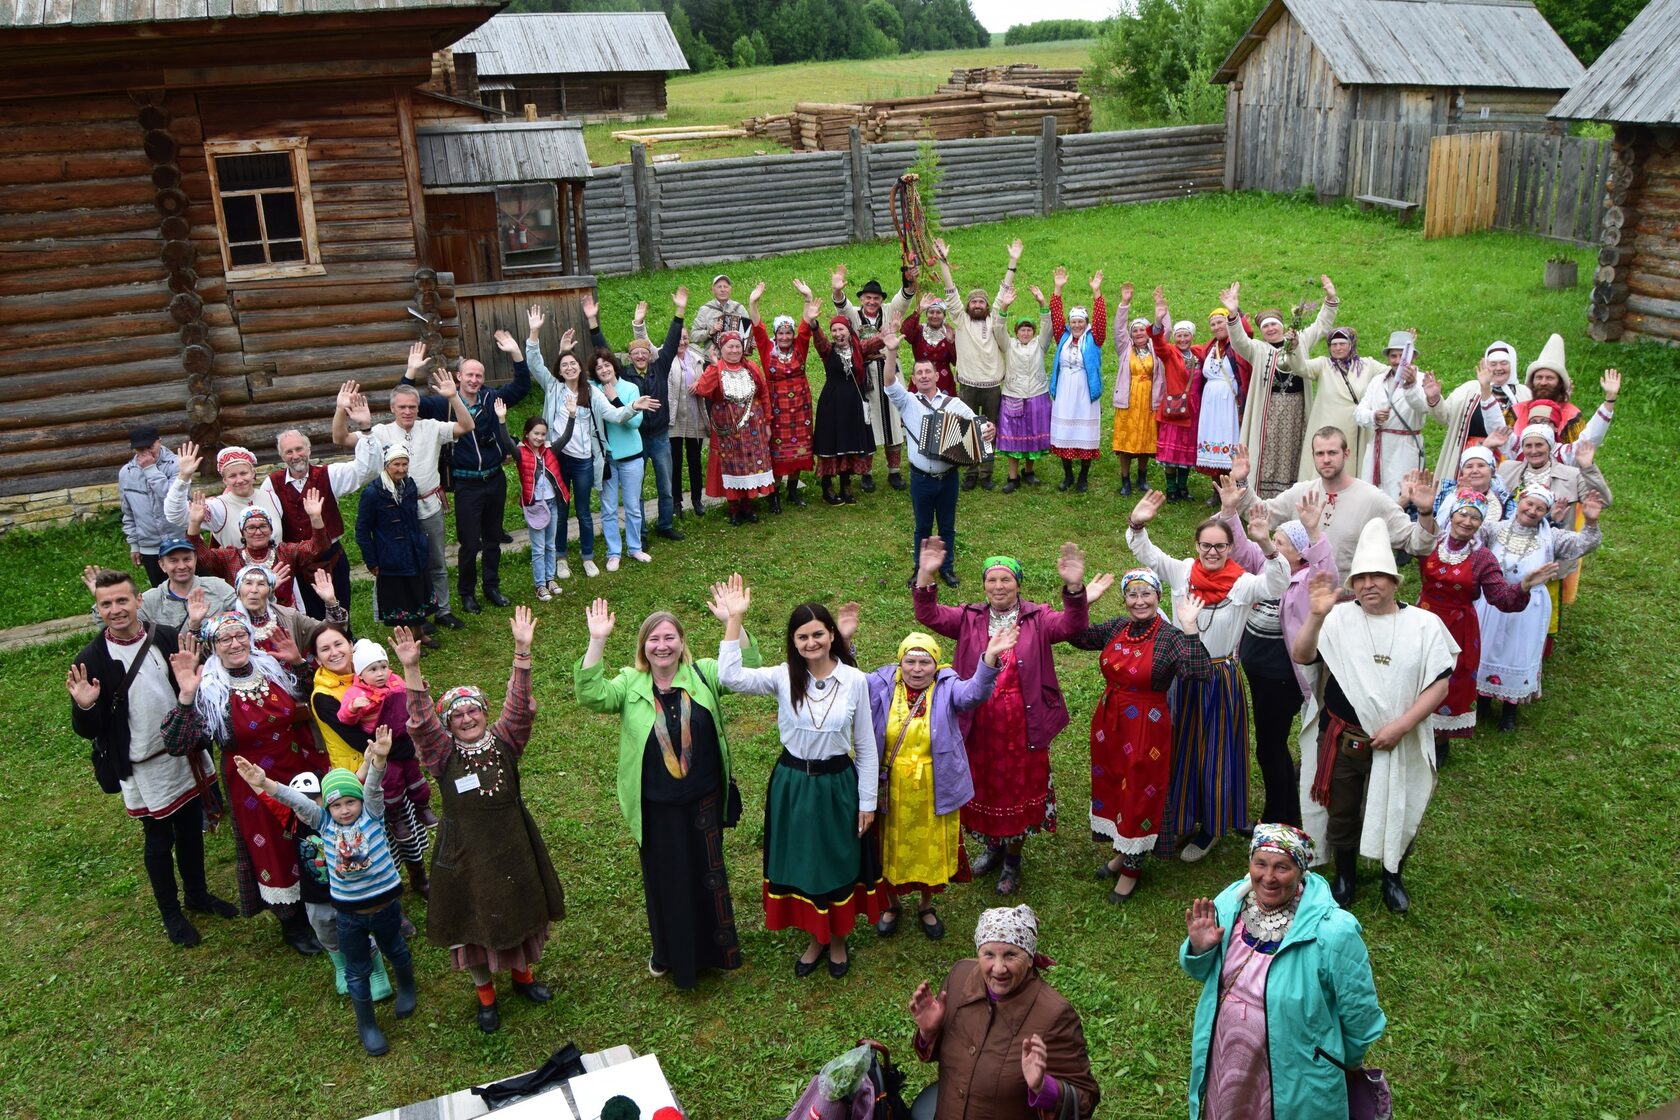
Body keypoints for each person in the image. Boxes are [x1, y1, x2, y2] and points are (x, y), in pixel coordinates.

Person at [574, 585, 760, 989]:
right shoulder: (629, 684)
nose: (662, 646)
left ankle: (716, 953)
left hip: (704, 801)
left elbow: (748, 667)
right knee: (666, 881)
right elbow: (590, 695)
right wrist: (597, 641)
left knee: (709, 876)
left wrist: (735, 621)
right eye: (654, 639)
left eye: (669, 637)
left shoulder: (704, 674)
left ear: (681, 643)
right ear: (644, 647)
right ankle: (668, 954)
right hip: (656, 807)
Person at [395, 607, 566, 1033]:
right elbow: (419, 723)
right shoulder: (441, 753)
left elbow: (521, 707)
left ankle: (523, 977)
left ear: (484, 713)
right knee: (475, 921)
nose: (467, 719)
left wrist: (522, 653)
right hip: (466, 853)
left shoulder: (506, 739)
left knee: (519, 907)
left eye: (473, 711)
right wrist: (411, 670)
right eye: (458, 715)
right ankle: (486, 996)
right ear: (449, 723)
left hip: (512, 843)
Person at [716, 578, 885, 979]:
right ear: (793, 642)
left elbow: (865, 744)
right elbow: (730, 678)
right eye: (802, 636)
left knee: (838, 859)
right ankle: (816, 937)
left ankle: (839, 938)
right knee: (805, 862)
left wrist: (867, 801)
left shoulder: (855, 681)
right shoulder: (781, 677)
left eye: (818, 634)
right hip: (793, 784)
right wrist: (734, 620)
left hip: (837, 784)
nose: (811, 643)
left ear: (832, 636)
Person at [1290, 519, 1458, 912]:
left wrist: (1400, 727)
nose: (1369, 585)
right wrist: (1315, 615)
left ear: (1396, 583)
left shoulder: (1424, 625)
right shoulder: (1338, 617)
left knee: (1396, 804)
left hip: (1400, 737)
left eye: (1378, 578)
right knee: (1342, 809)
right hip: (1343, 736)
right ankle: (1345, 874)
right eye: (1361, 578)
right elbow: (1302, 656)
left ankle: (1391, 875)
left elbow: (1440, 685)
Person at [913, 539, 1092, 895]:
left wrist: (1074, 588)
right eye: (992, 580)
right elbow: (928, 615)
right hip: (979, 727)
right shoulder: (969, 619)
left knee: (1018, 791)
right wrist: (926, 574)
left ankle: (1013, 858)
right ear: (983, 585)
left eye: (1006, 580)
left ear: (1018, 584)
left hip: (1024, 729)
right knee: (986, 788)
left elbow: (1072, 625)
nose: (998, 587)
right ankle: (992, 847)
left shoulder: (1038, 620)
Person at [67, 570, 231, 948]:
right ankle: (171, 914)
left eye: (122, 600)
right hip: (143, 764)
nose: (115, 610)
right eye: (106, 604)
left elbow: (190, 688)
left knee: (191, 828)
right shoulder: (91, 659)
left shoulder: (165, 637)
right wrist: (85, 707)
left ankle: (197, 894)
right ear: (98, 608)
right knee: (158, 839)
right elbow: (88, 730)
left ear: (138, 600)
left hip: (183, 754)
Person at [1181, 825, 1385, 1120]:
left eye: (1282, 867)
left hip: (1295, 1076)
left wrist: (1339, 1062)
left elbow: (1361, 1016)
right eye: (1260, 863)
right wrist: (1201, 950)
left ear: (1301, 870)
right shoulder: (1232, 902)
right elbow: (1207, 976)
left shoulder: (1334, 931)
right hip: (1227, 1059)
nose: (1268, 877)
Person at [1126, 491, 1289, 862]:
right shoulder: (1183, 570)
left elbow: (1277, 583)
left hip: (1219, 677)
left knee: (1216, 752)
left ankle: (1213, 826)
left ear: (1230, 547)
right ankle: (1183, 814)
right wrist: (1138, 523)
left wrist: (1265, 543)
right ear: (1197, 546)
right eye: (1206, 545)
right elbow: (1146, 552)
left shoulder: (1244, 583)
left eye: (1220, 546)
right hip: (1181, 673)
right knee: (1180, 745)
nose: (1212, 552)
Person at [836, 608, 1014, 938]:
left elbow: (974, 693)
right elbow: (848, 682)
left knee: (929, 850)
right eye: (910, 662)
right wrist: (844, 642)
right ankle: (891, 904)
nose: (917, 669)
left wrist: (988, 658)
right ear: (900, 663)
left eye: (925, 662)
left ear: (936, 665)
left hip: (935, 786)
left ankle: (926, 906)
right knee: (888, 848)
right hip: (889, 789)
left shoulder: (947, 686)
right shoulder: (880, 684)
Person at [238, 734, 418, 1056]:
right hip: (349, 915)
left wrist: (377, 760)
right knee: (356, 969)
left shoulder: (372, 815)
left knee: (396, 949)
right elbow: (297, 802)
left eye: (350, 802)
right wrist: (266, 783)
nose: (345, 810)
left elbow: (373, 787)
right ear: (327, 807)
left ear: (360, 801)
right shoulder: (322, 823)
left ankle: (406, 988)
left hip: (386, 905)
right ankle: (367, 1024)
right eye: (336, 804)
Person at [163, 613, 331, 951]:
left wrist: (299, 664)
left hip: (299, 764)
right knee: (274, 843)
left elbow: (313, 692)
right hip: (252, 782)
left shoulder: (271, 667)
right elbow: (176, 744)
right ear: (213, 646)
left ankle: (327, 900)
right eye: (226, 639)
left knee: (315, 833)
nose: (236, 643)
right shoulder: (208, 688)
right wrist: (185, 696)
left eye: (241, 635)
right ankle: (294, 922)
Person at [1071, 568, 1213, 901]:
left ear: (1158, 597)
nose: (1139, 601)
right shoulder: (1117, 628)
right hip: (1110, 721)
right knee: (1114, 784)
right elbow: (1076, 637)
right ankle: (1122, 850)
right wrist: (1081, 603)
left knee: (1138, 790)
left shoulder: (1170, 636)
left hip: (1146, 725)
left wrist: (1190, 628)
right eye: (1132, 595)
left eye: (1146, 594)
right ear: (1124, 599)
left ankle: (1133, 867)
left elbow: (1200, 672)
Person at [1211, 479, 1336, 837]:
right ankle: (1281, 811)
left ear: (1298, 552)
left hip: (1281, 677)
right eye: (1274, 542)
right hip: (1257, 671)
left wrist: (1314, 531)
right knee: (1268, 744)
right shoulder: (1268, 567)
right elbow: (1242, 550)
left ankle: (1280, 818)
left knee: (1270, 746)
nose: (1274, 546)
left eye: (1281, 543)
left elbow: (1327, 571)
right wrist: (1231, 511)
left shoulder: (1308, 580)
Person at [908, 905, 1100, 1120]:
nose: (998, 968)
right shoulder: (959, 976)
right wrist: (929, 1033)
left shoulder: (1055, 1015)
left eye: (1010, 955)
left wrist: (1043, 1087)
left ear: (1029, 958)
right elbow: (948, 1060)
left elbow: (1085, 1099)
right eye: (988, 954)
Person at [1406, 479, 1547, 760]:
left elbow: (1502, 599)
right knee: (1414, 673)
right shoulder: (1430, 542)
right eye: (1464, 514)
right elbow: (1401, 544)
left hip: (1459, 627)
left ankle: (1440, 740)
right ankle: (1410, 729)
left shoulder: (1483, 557)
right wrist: (1422, 511)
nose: (1468, 522)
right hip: (1423, 618)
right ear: (1453, 514)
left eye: (1475, 517)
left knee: (1450, 680)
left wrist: (1523, 586)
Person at [333, 359, 475, 630]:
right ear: (392, 409)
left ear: (418, 408)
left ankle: (442, 610)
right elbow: (340, 438)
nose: (408, 411)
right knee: (410, 566)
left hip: (430, 505)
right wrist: (341, 409)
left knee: (436, 562)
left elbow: (466, 426)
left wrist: (454, 397)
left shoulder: (431, 427)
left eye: (412, 407)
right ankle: (418, 613)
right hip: (396, 512)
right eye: (402, 407)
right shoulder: (379, 432)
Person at [396, 330, 530, 615]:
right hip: (467, 485)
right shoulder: (442, 404)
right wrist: (410, 372)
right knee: (470, 544)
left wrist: (516, 354)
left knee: (493, 539)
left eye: (478, 376)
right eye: (469, 375)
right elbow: (406, 401)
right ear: (459, 377)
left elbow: (521, 386)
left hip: (494, 478)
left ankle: (492, 587)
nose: (474, 380)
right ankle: (467, 593)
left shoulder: (493, 399)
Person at [253, 770, 394, 1002]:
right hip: (314, 894)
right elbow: (272, 796)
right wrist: (254, 780)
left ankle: (377, 970)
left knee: (358, 930)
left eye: (314, 798)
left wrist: (370, 762)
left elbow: (356, 786)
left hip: (347, 892)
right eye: (300, 800)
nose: (306, 804)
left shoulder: (334, 819)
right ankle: (341, 966)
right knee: (324, 929)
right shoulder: (292, 820)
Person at [1476, 486, 1604, 731]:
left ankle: (1509, 711)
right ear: (1519, 501)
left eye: (1540, 508)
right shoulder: (1494, 529)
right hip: (1492, 598)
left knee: (1519, 651)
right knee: (1487, 645)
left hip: (1529, 605)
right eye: (1529, 504)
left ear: (1546, 512)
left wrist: (1590, 521)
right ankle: (1482, 702)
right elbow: (1463, 533)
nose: (1532, 511)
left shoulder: (1552, 537)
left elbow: (1585, 544)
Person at [880, 326, 997, 589]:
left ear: (936, 376)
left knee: (947, 525)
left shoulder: (954, 404)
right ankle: (919, 568)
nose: (923, 376)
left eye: (927, 372)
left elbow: (981, 427)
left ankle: (946, 567)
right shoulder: (908, 402)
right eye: (918, 373)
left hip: (948, 477)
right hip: (920, 478)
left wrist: (990, 430)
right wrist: (891, 351)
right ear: (913, 378)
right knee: (922, 527)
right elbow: (888, 382)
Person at [1232, 429, 1417, 577]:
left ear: (1346, 454)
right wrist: (1241, 482)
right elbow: (1258, 515)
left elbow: (1413, 540)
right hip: (1300, 600)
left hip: (1348, 601)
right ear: (1313, 456)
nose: (1326, 459)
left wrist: (1424, 512)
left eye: (1332, 452)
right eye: (1320, 453)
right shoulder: (1302, 492)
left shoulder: (1372, 499)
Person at [1226, 279, 1335, 497]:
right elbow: (1238, 341)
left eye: (1273, 324)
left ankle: (1293, 495)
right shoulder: (1257, 349)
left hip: (1297, 408)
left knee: (1296, 449)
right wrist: (1232, 314)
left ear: (1282, 325)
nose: (1270, 328)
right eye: (1265, 326)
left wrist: (1330, 299)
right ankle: (1264, 498)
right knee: (1267, 451)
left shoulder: (1299, 341)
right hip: (1269, 411)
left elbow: (1321, 326)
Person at [270, 418, 381, 618]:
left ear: (309, 450)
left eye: (299, 449)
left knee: (340, 607)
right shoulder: (272, 484)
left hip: (332, 557)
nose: (296, 456)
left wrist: (366, 430)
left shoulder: (330, 474)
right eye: (289, 452)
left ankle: (345, 641)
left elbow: (368, 470)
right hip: (298, 562)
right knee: (310, 615)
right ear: (281, 456)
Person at [593, 291, 681, 543]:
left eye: (644, 352)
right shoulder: (624, 375)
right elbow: (603, 351)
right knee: (637, 490)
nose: (641, 356)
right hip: (636, 438)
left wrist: (679, 313)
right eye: (636, 354)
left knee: (666, 487)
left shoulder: (660, 369)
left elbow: (673, 342)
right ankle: (640, 533)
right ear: (629, 358)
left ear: (650, 355)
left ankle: (665, 524)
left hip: (660, 437)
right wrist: (593, 324)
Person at [929, 237, 1015, 491]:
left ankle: (987, 472)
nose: (977, 305)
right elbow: (950, 291)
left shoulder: (995, 320)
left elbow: (1002, 293)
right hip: (967, 385)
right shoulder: (961, 320)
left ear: (987, 306)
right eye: (974, 302)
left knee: (989, 429)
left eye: (981, 302)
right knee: (966, 428)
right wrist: (943, 260)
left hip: (992, 386)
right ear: (968, 306)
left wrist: (1013, 262)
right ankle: (970, 472)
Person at [525, 310, 603, 577]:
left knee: (583, 510)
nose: (569, 368)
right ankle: (560, 558)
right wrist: (534, 331)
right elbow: (535, 363)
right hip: (555, 459)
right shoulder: (553, 387)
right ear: (559, 371)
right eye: (564, 365)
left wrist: (631, 407)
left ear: (580, 368)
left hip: (583, 460)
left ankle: (588, 556)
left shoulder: (591, 391)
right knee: (559, 509)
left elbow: (609, 413)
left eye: (573, 364)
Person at [831, 265, 912, 491]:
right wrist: (837, 290)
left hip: (890, 373)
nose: (872, 302)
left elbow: (904, 297)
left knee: (893, 422)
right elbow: (841, 305)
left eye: (876, 298)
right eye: (868, 297)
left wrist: (908, 279)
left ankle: (894, 471)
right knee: (868, 422)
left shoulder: (889, 311)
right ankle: (866, 472)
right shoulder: (854, 315)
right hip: (864, 376)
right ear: (862, 299)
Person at [186, 491, 329, 611]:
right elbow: (203, 557)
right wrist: (194, 523)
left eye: (263, 526)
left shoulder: (285, 552)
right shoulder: (230, 556)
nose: (258, 532)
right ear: (243, 532)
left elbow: (317, 548)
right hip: (244, 622)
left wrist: (315, 517)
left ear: (271, 530)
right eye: (251, 527)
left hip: (284, 617)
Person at [694, 324, 777, 526]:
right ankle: (733, 508)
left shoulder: (751, 368)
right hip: (727, 430)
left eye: (737, 346)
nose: (734, 350)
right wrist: (714, 366)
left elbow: (764, 393)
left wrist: (767, 421)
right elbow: (703, 390)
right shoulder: (716, 369)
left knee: (750, 464)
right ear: (721, 349)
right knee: (730, 466)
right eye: (730, 347)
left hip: (753, 427)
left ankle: (748, 506)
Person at [588, 343, 661, 569]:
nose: (603, 370)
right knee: (608, 508)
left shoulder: (629, 388)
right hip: (607, 458)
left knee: (632, 506)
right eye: (598, 367)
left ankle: (635, 548)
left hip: (631, 456)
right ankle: (613, 552)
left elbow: (635, 423)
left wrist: (616, 399)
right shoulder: (592, 390)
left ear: (614, 366)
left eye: (607, 364)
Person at [354, 444, 437, 638]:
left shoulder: (409, 485)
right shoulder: (373, 492)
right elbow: (362, 530)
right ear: (386, 465)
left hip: (414, 550)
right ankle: (405, 639)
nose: (401, 469)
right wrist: (371, 560)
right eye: (396, 464)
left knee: (417, 592)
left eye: (404, 464)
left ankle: (420, 633)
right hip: (389, 554)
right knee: (400, 598)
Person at [749, 280, 818, 512]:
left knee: (800, 448)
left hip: (800, 406)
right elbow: (757, 327)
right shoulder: (767, 349)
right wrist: (753, 302)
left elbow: (806, 326)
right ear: (776, 334)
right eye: (782, 332)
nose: (786, 337)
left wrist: (807, 298)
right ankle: (774, 494)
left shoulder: (800, 346)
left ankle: (792, 490)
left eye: (788, 332)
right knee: (778, 452)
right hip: (776, 407)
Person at [1291, 312, 1383, 486]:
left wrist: (1407, 353)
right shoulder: (1323, 365)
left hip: (1356, 428)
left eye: (1342, 344)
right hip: (1328, 426)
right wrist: (1294, 347)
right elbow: (1300, 367)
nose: (1338, 348)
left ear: (1351, 344)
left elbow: (1391, 375)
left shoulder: (1367, 365)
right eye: (1333, 344)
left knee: (1352, 465)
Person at [1047, 268, 1107, 491]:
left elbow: (1101, 320)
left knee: (1084, 433)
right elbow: (1055, 316)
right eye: (1073, 322)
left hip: (1085, 390)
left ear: (1086, 323)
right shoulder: (1062, 337)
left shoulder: (1095, 339)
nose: (1077, 325)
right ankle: (1068, 475)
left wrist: (1097, 293)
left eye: (1081, 322)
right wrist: (1058, 289)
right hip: (1064, 390)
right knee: (1064, 432)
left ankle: (1083, 475)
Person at [809, 310, 876, 506]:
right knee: (831, 441)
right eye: (834, 330)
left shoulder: (858, 348)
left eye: (841, 329)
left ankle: (846, 485)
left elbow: (875, 343)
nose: (838, 334)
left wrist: (889, 331)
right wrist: (813, 323)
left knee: (850, 441)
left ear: (849, 331)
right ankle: (826, 486)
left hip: (854, 403)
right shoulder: (827, 350)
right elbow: (818, 338)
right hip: (832, 404)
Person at [164, 442, 284, 549]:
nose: (239, 480)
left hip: (279, 572)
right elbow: (174, 515)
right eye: (232, 476)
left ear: (253, 473)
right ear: (225, 480)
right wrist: (183, 477)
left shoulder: (271, 497)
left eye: (243, 473)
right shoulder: (218, 507)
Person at [1352, 332, 1428, 502]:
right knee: (1373, 494)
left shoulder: (1422, 380)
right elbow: (1359, 412)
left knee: (1401, 494)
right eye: (1393, 356)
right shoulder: (1377, 381)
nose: (1397, 361)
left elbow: (1423, 407)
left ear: (1412, 357)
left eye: (1402, 356)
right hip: (1378, 446)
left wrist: (1411, 386)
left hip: (1405, 446)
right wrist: (1374, 416)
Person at [503, 408, 570, 596]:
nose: (539, 437)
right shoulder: (520, 452)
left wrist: (571, 415)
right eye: (535, 433)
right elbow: (507, 442)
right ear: (527, 433)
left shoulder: (549, 450)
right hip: (535, 507)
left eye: (543, 434)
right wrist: (502, 421)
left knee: (551, 545)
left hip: (552, 504)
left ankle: (550, 579)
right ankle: (540, 584)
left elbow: (565, 437)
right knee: (539, 548)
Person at [232, 563, 347, 667]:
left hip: (295, 684)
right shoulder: (228, 624)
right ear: (238, 589)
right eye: (248, 583)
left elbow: (331, 634)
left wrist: (331, 602)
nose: (254, 590)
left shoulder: (288, 616)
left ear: (270, 590)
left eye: (261, 584)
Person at [1111, 284, 1164, 496]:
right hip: (1128, 400)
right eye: (1135, 330)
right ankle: (1125, 480)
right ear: (1131, 335)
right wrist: (1124, 304)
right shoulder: (1125, 348)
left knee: (1146, 440)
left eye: (1142, 329)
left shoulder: (1155, 349)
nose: (1139, 332)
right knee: (1125, 441)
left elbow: (1163, 331)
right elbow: (1118, 328)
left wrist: (1161, 308)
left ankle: (1141, 478)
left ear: (1148, 333)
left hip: (1149, 400)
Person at [997, 287, 1052, 492]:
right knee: (1013, 436)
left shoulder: (1040, 345)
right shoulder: (1009, 345)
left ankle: (1029, 472)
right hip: (1013, 395)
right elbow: (998, 328)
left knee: (1034, 434)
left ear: (1034, 333)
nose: (1026, 333)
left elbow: (1048, 326)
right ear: (1016, 331)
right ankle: (1013, 478)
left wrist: (1042, 303)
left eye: (1029, 330)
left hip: (1038, 394)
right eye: (1022, 329)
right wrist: (1004, 306)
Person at [1148, 288, 1200, 502]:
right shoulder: (1170, 353)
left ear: (1192, 336)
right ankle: (1171, 491)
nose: (1182, 339)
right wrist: (1158, 321)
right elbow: (1158, 343)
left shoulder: (1199, 353)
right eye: (1179, 335)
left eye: (1186, 335)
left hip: (1192, 411)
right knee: (1170, 455)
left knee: (1186, 452)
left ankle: (1182, 488)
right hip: (1172, 410)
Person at [1428, 356, 1511, 483]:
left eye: (1504, 363)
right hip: (1469, 452)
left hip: (1506, 456)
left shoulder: (1523, 393)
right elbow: (1444, 416)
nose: (1498, 368)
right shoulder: (1468, 389)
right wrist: (1434, 399)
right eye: (1493, 364)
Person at [1192, 304, 1250, 483]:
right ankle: (1216, 488)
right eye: (1213, 324)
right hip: (1210, 402)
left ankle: (1235, 485)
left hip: (1229, 402)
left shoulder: (1237, 344)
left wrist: (1236, 314)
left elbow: (1247, 332)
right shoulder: (1210, 346)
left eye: (1220, 322)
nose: (1217, 327)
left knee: (1229, 437)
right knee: (1212, 437)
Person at [119, 425, 183, 586]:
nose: (146, 453)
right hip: (150, 547)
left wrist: (150, 470)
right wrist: (134, 545)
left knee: (191, 590)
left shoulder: (176, 465)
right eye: (140, 449)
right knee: (161, 594)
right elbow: (128, 512)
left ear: (159, 442)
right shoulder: (126, 473)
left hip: (180, 540)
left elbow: (172, 497)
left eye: (150, 447)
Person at [135, 537, 236, 629]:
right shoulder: (149, 600)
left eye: (187, 559)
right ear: (162, 565)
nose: (182, 566)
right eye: (173, 561)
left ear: (195, 560)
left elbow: (244, 613)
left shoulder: (217, 586)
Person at [1430, 445, 1515, 523]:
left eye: (1481, 466)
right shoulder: (1446, 495)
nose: (1475, 471)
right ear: (1462, 471)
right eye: (1469, 466)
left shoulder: (1505, 500)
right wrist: (1454, 500)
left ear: (1492, 470)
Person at [901, 291, 959, 397]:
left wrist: (951, 343)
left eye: (938, 312)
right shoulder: (919, 331)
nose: (935, 316)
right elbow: (905, 331)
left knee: (945, 412)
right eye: (931, 312)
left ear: (944, 315)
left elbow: (956, 361)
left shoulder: (949, 332)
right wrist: (918, 311)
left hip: (944, 381)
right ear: (926, 314)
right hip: (921, 378)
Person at [690, 272, 753, 358]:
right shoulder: (705, 310)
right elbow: (693, 336)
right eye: (719, 287)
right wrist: (710, 332)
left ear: (730, 290)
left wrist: (751, 342)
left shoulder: (739, 308)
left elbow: (750, 332)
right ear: (713, 290)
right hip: (713, 360)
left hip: (736, 359)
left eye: (726, 287)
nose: (723, 290)